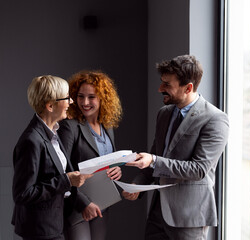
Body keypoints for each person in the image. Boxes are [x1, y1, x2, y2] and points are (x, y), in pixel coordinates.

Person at [123, 55, 229, 240]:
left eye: (167, 85)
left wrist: (154, 160)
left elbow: (199, 169)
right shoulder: (163, 114)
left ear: (188, 88)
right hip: (157, 213)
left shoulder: (215, 119)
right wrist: (138, 184)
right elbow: (156, 156)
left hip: (189, 216)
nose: (160, 89)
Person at [12, 75, 92, 240]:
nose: (71, 102)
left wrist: (83, 201)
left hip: (53, 225)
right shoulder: (31, 141)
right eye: (66, 98)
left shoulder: (53, 132)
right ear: (50, 105)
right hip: (39, 231)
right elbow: (23, 194)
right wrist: (66, 181)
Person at [57, 70, 123, 240]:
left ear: (103, 98)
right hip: (77, 206)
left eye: (91, 97)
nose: (85, 102)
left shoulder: (107, 127)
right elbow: (60, 170)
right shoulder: (69, 126)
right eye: (80, 96)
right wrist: (83, 203)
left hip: (102, 204)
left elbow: (108, 160)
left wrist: (117, 170)